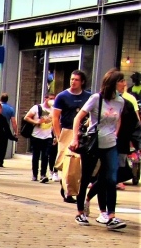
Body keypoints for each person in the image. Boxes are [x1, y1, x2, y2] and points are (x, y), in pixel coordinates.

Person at [70, 69, 126, 230]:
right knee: (86, 177)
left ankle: (111, 216)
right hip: (93, 143)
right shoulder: (96, 98)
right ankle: (80, 212)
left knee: (111, 179)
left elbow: (118, 119)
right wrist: (74, 138)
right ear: (113, 83)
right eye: (121, 81)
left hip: (110, 144)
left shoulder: (120, 101)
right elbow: (78, 117)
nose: (124, 84)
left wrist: (115, 133)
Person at [52, 70, 91, 203]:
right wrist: (59, 136)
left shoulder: (89, 96)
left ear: (82, 82)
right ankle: (68, 190)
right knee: (67, 162)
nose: (73, 82)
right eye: (71, 79)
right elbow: (55, 118)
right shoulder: (62, 96)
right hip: (67, 132)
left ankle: (72, 188)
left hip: (83, 133)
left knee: (78, 164)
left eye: (76, 80)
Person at [0, 101, 18, 181]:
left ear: (1, 110)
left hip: (1, 139)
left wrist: (13, 138)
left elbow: (7, 130)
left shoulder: (3, 119)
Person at [0, 93, 17, 166]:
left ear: (0, 99)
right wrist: (15, 132)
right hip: (5, 130)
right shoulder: (10, 109)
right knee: (3, 145)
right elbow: (13, 121)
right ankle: (0, 161)